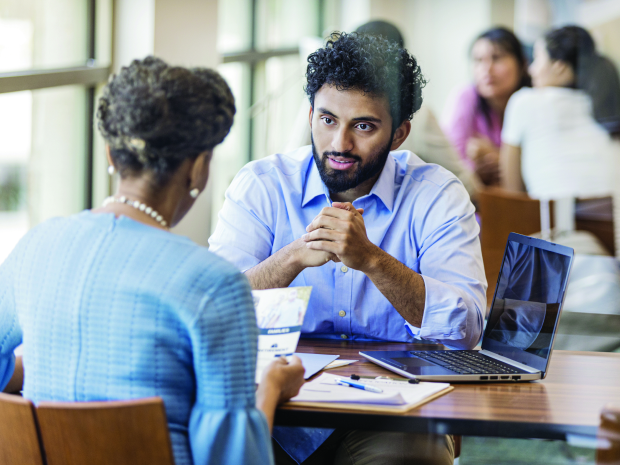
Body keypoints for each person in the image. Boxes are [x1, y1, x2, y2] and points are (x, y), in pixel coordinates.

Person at [0, 57, 305, 465]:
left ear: (110, 154)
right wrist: (270, 388)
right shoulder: (214, 283)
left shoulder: (33, 247)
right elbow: (234, 459)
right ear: (198, 169)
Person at [209, 32, 486, 465]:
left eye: (363, 126)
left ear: (399, 134)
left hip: (395, 410)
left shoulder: (438, 195)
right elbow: (214, 312)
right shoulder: (261, 185)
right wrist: (293, 257)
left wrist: (373, 261)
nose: (340, 144)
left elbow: (467, 329)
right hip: (283, 401)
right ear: (311, 115)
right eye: (327, 120)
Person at [500, 25, 620, 199]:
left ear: (559, 66)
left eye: (537, 59)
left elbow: (513, 195)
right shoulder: (603, 102)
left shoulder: (523, 101)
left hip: (559, 222)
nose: (531, 70)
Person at [442, 27, 530, 186]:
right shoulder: (466, 97)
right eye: (478, 60)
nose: (487, 69)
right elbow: (447, 166)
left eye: (497, 58)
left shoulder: (532, 102)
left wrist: (499, 158)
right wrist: (474, 170)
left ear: (522, 64)